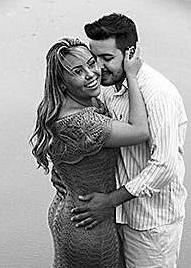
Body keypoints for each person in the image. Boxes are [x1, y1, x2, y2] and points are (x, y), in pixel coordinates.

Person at [72, 13, 188, 268]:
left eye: (107, 58)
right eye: (95, 58)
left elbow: (165, 166)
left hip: (151, 224)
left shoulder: (158, 95)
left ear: (131, 52)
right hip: (118, 217)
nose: (98, 67)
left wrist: (111, 201)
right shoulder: (111, 88)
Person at [31, 37, 151, 268]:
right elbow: (139, 131)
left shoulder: (66, 105)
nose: (91, 73)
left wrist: (62, 171)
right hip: (88, 223)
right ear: (62, 82)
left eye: (91, 63)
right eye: (78, 71)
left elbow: (68, 152)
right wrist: (132, 76)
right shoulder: (84, 121)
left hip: (72, 208)